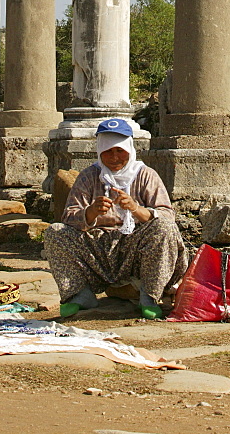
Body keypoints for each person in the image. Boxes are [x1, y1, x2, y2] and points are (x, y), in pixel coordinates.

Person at [44, 118, 187, 320]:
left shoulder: (146, 175)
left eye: (120, 151)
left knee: (164, 227)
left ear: (129, 149)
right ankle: (78, 295)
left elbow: (166, 214)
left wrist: (136, 209)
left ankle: (149, 295)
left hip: (135, 249)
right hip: (98, 248)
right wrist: (91, 212)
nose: (114, 157)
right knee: (55, 232)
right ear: (100, 151)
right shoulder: (89, 176)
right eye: (108, 151)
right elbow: (68, 216)